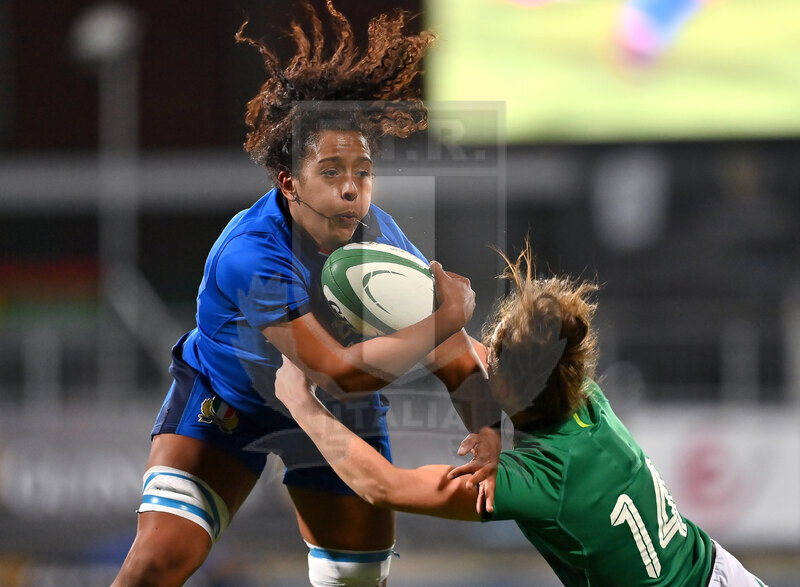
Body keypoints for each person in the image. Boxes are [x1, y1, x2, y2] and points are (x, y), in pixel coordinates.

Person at [112, 3, 498, 586]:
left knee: (355, 580)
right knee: (157, 566)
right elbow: (333, 372)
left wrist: (488, 428)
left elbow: (451, 352)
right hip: (232, 403)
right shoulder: (252, 255)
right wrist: (445, 316)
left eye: (363, 172)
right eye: (332, 171)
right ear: (289, 181)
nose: (352, 189)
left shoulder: (381, 238)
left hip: (339, 413)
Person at [275, 242, 768, 586]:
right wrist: (436, 317)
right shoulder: (583, 396)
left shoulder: (539, 481)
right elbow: (464, 354)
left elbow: (383, 486)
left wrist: (303, 405)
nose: (483, 349)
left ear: (509, 391)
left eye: (493, 348)